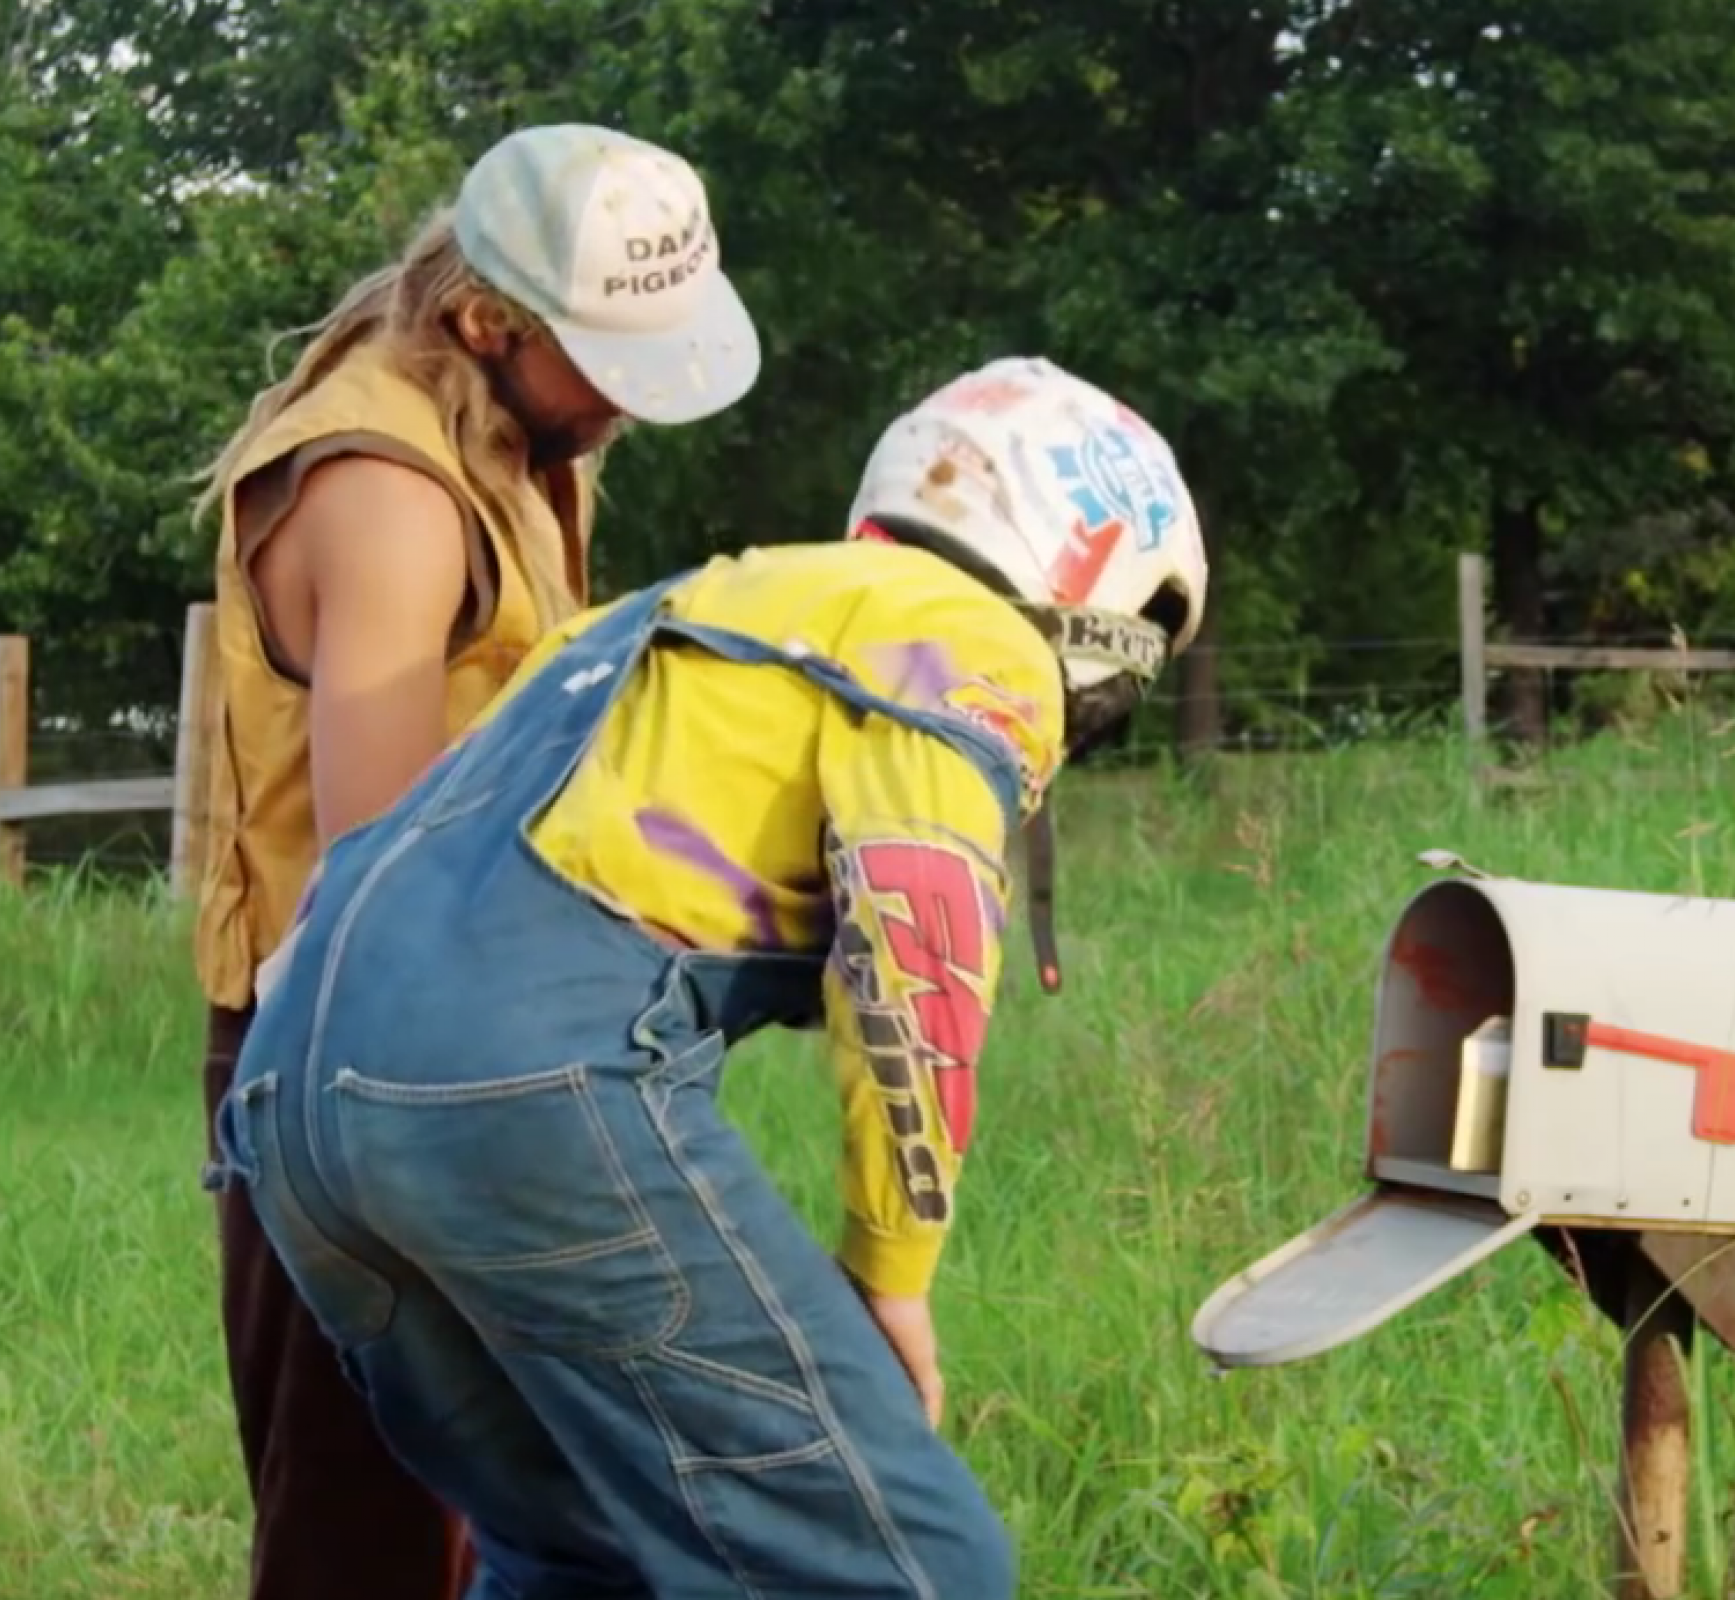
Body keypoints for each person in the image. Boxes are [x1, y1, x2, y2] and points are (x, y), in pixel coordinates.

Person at [202, 355, 1208, 1597]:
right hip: (504, 1088)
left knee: (587, 1558)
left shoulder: (698, 601)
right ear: (1090, 581)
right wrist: (892, 1276)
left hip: (293, 1104)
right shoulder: (961, 636)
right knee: (911, 1566)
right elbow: (919, 941)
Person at [187, 122, 761, 1600]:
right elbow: (384, 880)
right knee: (366, 1535)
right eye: (608, 360)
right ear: (489, 321)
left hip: (476, 1046)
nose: (635, 401)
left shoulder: (511, 430)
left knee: (522, 1520)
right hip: (351, 1066)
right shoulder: (386, 492)